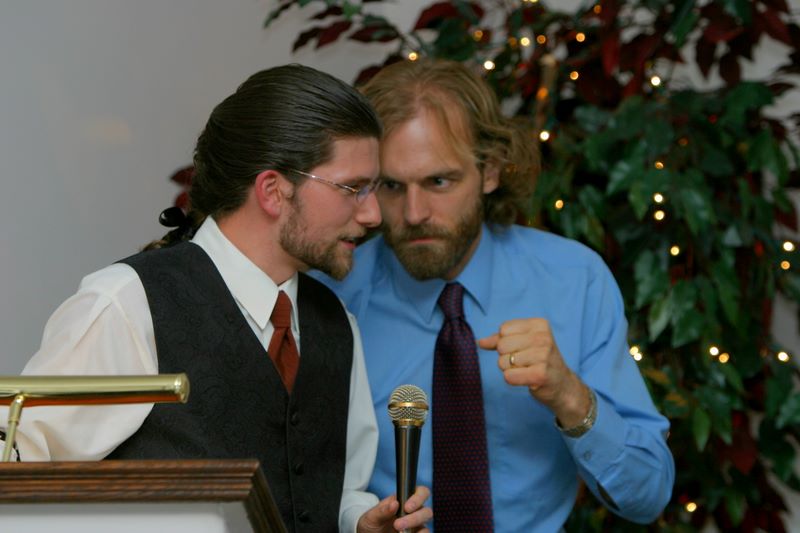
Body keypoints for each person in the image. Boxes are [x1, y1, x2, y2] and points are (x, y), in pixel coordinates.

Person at [0, 64, 432, 533]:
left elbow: (336, 489)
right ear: (273, 191)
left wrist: (358, 522)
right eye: (353, 189)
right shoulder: (127, 305)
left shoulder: (335, 323)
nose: (373, 215)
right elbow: (19, 471)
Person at [313, 58, 675, 531]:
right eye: (392, 186)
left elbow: (648, 495)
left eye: (439, 181)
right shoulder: (331, 295)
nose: (414, 213)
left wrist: (569, 395)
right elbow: (297, 484)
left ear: (490, 171)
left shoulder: (574, 280)